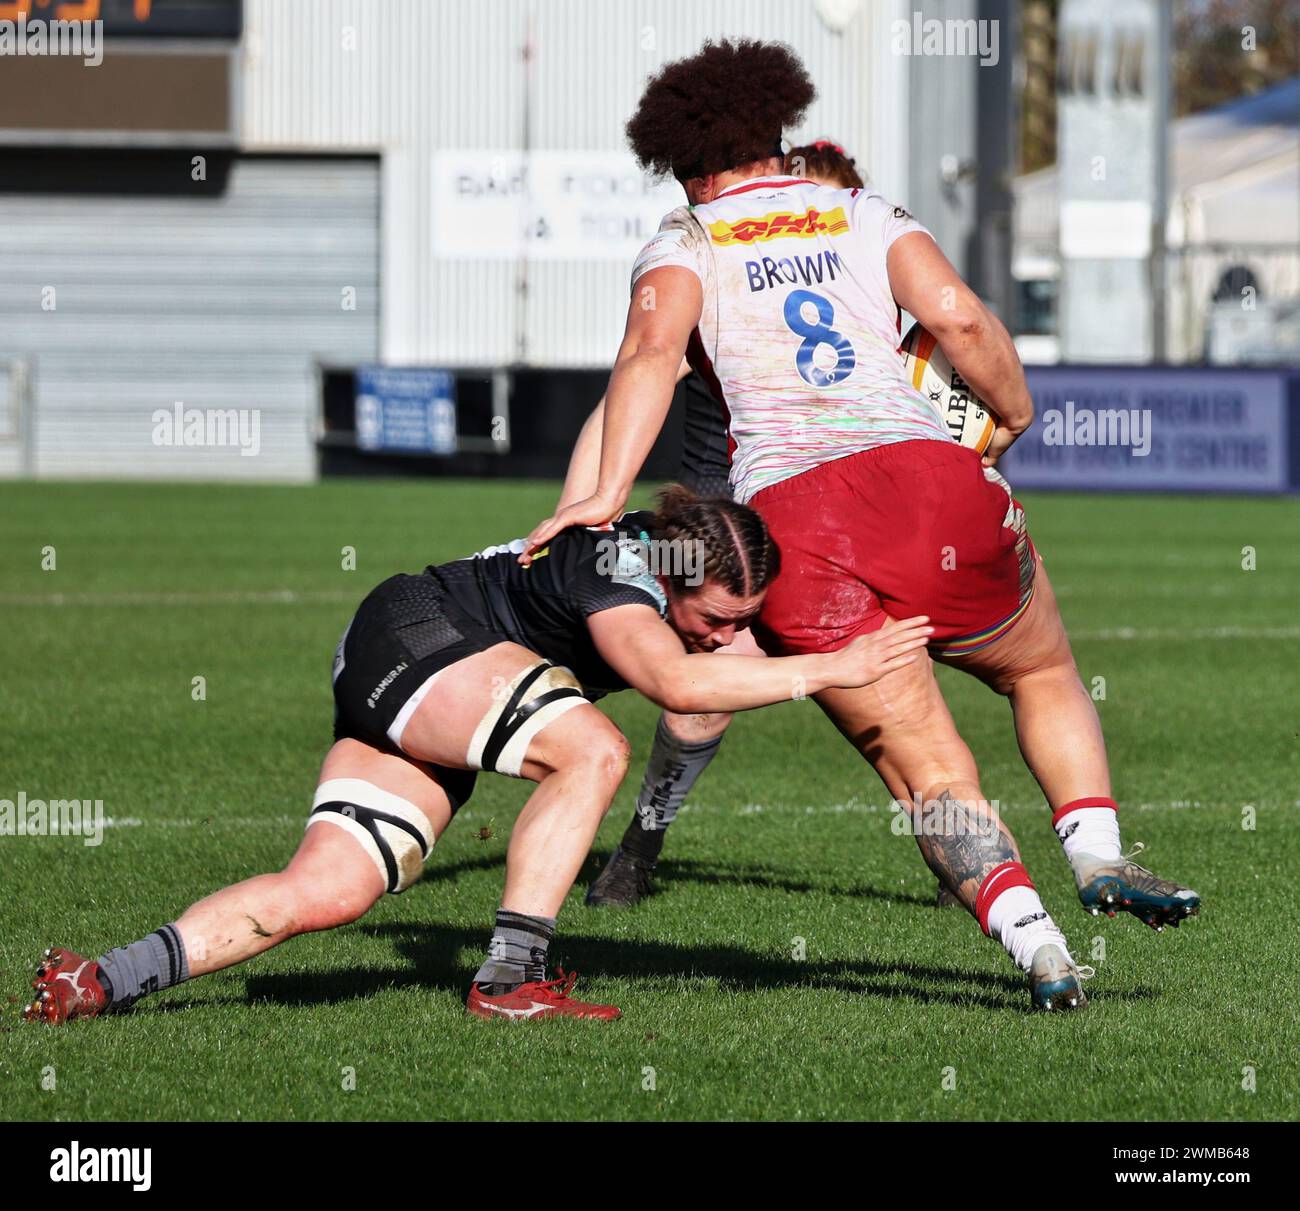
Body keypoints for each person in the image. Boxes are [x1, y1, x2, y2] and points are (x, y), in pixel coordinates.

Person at [524, 39, 1199, 1011]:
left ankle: (1040, 945)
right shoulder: (863, 211)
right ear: (777, 134)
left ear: (684, 162)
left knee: (922, 764)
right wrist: (1013, 413)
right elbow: (959, 317)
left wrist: (598, 492)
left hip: (797, 523)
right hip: (936, 481)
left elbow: (646, 354)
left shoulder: (685, 238)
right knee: (1040, 666)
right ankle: (1094, 849)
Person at [24, 488, 931, 1025]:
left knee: (328, 891)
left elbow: (712, 659)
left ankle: (102, 976)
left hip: (414, 673)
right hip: (419, 635)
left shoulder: (667, 566)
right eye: (723, 620)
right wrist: (836, 669)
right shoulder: (624, 572)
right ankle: (511, 976)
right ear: (678, 577)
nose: (732, 638)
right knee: (593, 750)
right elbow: (681, 687)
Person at [577, 141, 870, 909]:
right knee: (696, 685)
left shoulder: (868, 300)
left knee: (880, 680)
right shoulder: (726, 284)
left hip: (824, 522)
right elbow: (631, 386)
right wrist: (589, 502)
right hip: (722, 530)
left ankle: (954, 838)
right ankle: (639, 845)